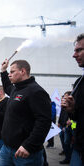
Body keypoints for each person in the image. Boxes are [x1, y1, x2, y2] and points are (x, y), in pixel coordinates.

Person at [0, 59, 51, 166]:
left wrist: (28, 146)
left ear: (23, 71)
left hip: (25, 153)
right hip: (6, 149)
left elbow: (44, 122)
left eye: (12, 72)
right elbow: (7, 86)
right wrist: (3, 71)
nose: (9, 75)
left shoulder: (36, 91)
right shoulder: (16, 89)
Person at [62, 33, 84, 166]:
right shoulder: (79, 83)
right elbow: (77, 116)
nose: (74, 55)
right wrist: (71, 111)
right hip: (79, 146)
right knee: (66, 140)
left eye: (79, 50)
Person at [58, 91, 72, 164]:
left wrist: (67, 126)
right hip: (62, 125)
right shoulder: (64, 105)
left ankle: (68, 157)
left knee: (67, 141)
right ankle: (67, 154)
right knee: (63, 140)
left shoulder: (71, 105)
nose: (64, 97)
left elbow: (72, 118)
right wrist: (59, 123)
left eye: (65, 96)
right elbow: (61, 114)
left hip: (68, 127)